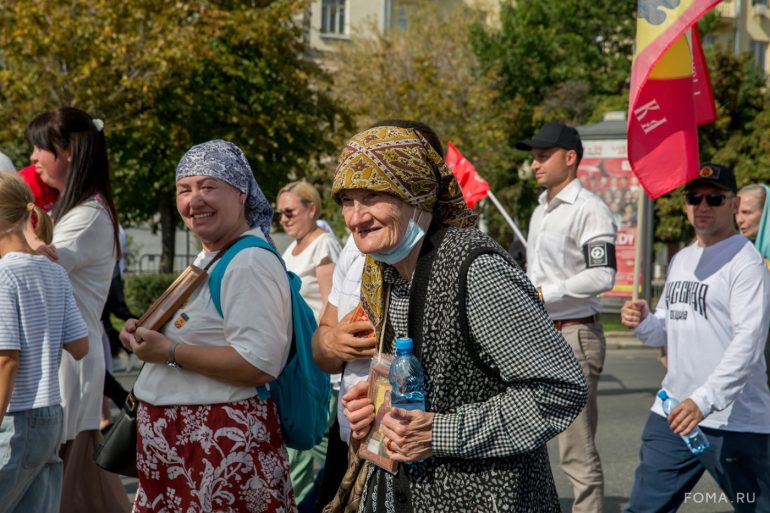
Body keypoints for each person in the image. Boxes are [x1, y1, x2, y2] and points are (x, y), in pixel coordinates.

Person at [331, 124, 587, 512]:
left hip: (489, 499)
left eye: (371, 196)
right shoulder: (387, 271)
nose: (355, 217)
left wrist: (442, 432)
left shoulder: (475, 270)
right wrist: (376, 404)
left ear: (415, 192)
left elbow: (559, 389)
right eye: (347, 201)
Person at [119, 139, 295, 512]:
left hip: (217, 450)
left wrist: (168, 351)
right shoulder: (214, 255)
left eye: (208, 187)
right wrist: (148, 334)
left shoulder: (248, 262)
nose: (194, 200)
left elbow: (260, 363)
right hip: (185, 448)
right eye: (185, 189)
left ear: (241, 193)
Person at [621, 164, 770, 512]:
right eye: (694, 197)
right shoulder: (682, 259)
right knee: (644, 508)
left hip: (733, 421)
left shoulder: (746, 265)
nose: (703, 206)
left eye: (714, 198)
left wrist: (704, 400)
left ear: (733, 205)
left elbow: (748, 344)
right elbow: (665, 328)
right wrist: (643, 321)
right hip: (673, 412)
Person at [26, 107, 130, 513]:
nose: (33, 158)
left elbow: (38, 268)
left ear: (68, 152)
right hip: (68, 356)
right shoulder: (79, 211)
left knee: (60, 487)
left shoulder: (86, 216)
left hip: (66, 359)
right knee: (86, 488)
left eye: (40, 148)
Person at [516, 121, 617, 513]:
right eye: (534, 157)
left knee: (575, 448)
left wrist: (545, 293)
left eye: (543, 156)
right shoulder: (541, 209)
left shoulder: (590, 209)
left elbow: (603, 275)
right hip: (540, 334)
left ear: (570, 158)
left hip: (575, 335)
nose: (535, 165)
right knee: (527, 435)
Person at [0, 173, 89, 513]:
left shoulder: (5, 275)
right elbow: (80, 346)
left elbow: (6, 360)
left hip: (14, 416)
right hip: (51, 414)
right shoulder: (54, 271)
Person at [276, 180, 341, 508]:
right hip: (296, 357)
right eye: (280, 214)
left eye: (289, 212)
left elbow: (334, 305)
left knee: (307, 440)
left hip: (315, 360)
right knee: (313, 439)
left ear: (311, 208)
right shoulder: (292, 247)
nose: (284, 220)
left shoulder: (323, 244)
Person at [737, 183, 770, 265]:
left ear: (766, 213)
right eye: (736, 213)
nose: (739, 220)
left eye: (746, 212)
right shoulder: (737, 250)